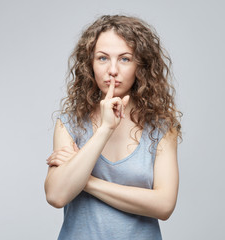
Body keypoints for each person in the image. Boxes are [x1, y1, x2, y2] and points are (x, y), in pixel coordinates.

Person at [44, 15, 182, 240]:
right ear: (90, 64)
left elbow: (164, 205)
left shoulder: (161, 128)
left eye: (125, 59)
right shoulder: (70, 123)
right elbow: (57, 195)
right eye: (102, 58)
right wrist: (105, 129)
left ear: (141, 66)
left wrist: (86, 181)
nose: (113, 70)